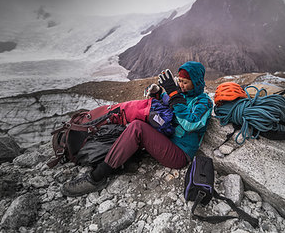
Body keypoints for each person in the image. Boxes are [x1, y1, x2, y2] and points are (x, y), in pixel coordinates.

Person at [61, 61, 213, 197]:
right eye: (179, 81)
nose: (180, 85)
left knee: (137, 127)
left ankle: (95, 178)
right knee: (138, 117)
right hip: (167, 141)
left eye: (185, 82)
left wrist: (174, 95)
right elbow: (168, 100)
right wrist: (158, 93)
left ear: (196, 82)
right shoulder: (182, 94)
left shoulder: (204, 102)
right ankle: (122, 160)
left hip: (180, 154)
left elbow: (190, 124)